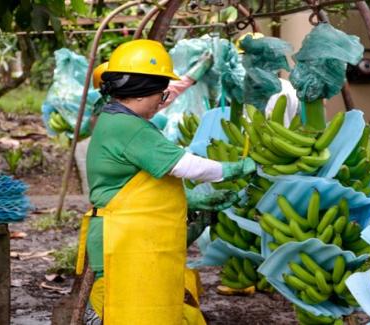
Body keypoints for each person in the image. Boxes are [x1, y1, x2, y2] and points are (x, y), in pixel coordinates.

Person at [76, 39, 256, 324]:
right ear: (142, 91)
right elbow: (184, 165)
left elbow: (137, 181)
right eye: (161, 96)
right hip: (125, 240)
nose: (161, 103)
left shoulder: (113, 121)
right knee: (127, 312)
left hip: (128, 236)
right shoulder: (129, 128)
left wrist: (192, 200)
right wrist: (233, 168)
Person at [236, 32, 300, 127]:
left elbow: (298, 119)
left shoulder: (288, 89)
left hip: (284, 139)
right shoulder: (241, 90)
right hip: (248, 140)